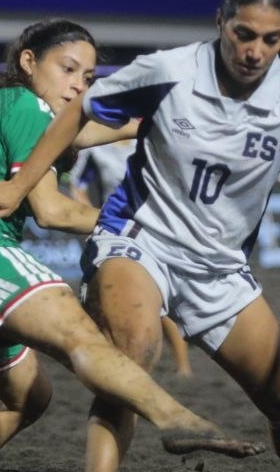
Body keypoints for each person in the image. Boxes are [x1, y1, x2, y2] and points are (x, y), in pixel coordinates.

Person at [0, 0, 280, 472]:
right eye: (243, 34)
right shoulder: (169, 70)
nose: (255, 51)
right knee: (133, 352)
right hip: (138, 238)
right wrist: (19, 188)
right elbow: (81, 109)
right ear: (220, 22)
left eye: (271, 39)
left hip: (220, 269)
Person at [0, 18, 263, 472]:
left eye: (88, 79)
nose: (78, 85)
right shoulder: (26, 104)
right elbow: (51, 211)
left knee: (29, 398)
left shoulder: (10, 109)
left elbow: (92, 133)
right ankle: (176, 421)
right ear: (28, 62)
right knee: (82, 336)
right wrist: (148, 228)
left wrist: (157, 126)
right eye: (68, 69)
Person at [71, 140, 195, 378]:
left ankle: (183, 365)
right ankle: (119, 361)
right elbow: (78, 186)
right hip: (114, 229)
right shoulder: (97, 146)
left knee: (158, 293)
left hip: (152, 224)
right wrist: (93, 217)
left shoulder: (146, 137)